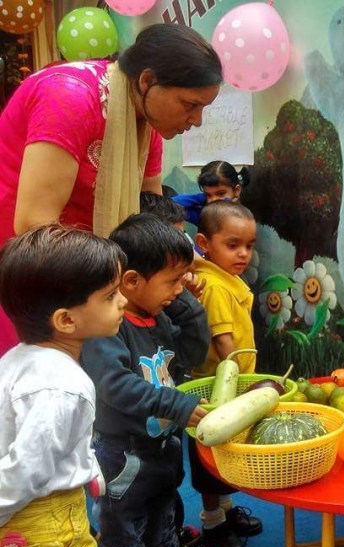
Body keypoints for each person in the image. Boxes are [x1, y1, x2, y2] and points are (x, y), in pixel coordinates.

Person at [0, 23, 223, 356]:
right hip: (28, 268)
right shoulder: (69, 97)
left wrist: (174, 269)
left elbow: (149, 218)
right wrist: (108, 281)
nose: (196, 120)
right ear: (147, 81)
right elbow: (34, 225)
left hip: (90, 271)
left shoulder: (146, 125)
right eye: (190, 104)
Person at [80, 214, 211, 547]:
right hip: (124, 456)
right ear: (132, 281)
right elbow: (116, 386)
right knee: (123, 541)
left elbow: (192, 354)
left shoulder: (160, 316)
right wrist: (175, 404)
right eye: (172, 281)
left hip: (161, 449)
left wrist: (185, 304)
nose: (179, 289)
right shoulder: (107, 329)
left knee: (162, 528)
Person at [0, 225, 127, 547]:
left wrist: (86, 468)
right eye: (110, 295)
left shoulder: (20, 358)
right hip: (42, 520)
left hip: (39, 512)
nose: (123, 301)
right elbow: (27, 468)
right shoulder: (63, 386)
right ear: (66, 321)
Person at [138, 192, 221, 547]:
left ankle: (166, 537)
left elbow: (190, 352)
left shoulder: (163, 310)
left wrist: (184, 302)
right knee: (141, 501)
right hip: (135, 446)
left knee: (168, 483)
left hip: (162, 433)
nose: (184, 276)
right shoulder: (119, 328)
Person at [189, 201, 263, 547]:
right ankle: (213, 521)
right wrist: (242, 385)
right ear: (204, 243)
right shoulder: (215, 287)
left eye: (249, 245)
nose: (243, 254)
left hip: (233, 386)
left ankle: (227, 509)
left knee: (224, 456)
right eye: (232, 245)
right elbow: (224, 343)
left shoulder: (226, 278)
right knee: (210, 458)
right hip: (217, 390)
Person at [173, 161, 251, 226]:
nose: (213, 200)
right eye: (208, 195)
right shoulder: (205, 217)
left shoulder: (244, 219)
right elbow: (171, 204)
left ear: (237, 190)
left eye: (221, 194)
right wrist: (202, 197)